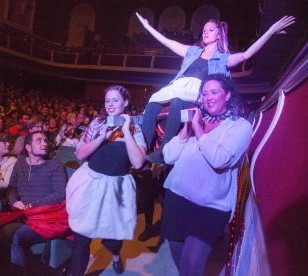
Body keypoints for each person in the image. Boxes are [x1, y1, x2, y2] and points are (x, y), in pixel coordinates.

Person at [135, 12, 295, 163]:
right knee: (153, 102)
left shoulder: (223, 58)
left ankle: (164, 152)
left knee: (178, 101)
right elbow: (166, 42)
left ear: (219, 34)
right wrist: (147, 27)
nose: (205, 32)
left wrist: (270, 31)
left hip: (197, 92)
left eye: (210, 30)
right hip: (177, 86)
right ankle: (142, 149)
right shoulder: (192, 51)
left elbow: (246, 55)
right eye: (204, 30)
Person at [160, 74, 252, 275]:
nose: (208, 97)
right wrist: (186, 129)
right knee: (176, 249)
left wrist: (198, 130)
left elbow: (220, 159)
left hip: (210, 207)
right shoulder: (196, 122)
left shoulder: (240, 126)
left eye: (214, 92)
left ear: (227, 95)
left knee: (192, 263)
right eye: (204, 93)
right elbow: (168, 157)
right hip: (178, 198)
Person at [66, 85, 146, 275]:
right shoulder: (96, 123)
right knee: (81, 238)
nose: (110, 104)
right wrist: (101, 137)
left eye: (115, 100)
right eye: (107, 100)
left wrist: (126, 131)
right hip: (90, 184)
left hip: (115, 189)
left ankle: (115, 254)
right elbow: (80, 153)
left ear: (125, 103)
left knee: (112, 235)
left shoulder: (135, 128)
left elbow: (138, 162)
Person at [0, 131, 67, 269]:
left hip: (45, 218)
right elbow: (12, 188)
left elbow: (60, 193)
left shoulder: (55, 166)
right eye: (39, 140)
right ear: (28, 147)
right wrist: (14, 202)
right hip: (22, 215)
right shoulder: (20, 164)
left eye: (45, 140)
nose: (44, 144)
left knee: (13, 235)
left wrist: (32, 205)